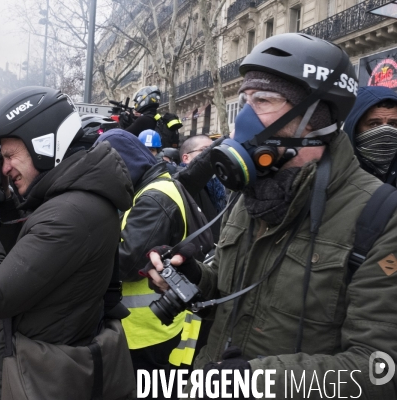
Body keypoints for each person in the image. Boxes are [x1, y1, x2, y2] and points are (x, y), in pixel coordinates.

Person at [145, 33, 397, 398]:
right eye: (243, 101)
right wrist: (197, 278)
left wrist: (254, 381)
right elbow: (241, 297)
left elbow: (379, 370)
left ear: (315, 115)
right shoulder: (251, 193)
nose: (242, 121)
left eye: (262, 100)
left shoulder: (381, 216)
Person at [0, 86, 134, 399]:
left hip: (38, 379)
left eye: (10, 156)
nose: (5, 168)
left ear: (44, 144)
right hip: (32, 369)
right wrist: (4, 203)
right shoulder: (66, 201)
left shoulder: (69, 214)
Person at [95, 129, 212, 400]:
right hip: (149, 324)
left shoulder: (153, 197)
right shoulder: (155, 187)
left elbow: (127, 261)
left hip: (147, 330)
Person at [343, 85, 397, 186]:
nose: (386, 131)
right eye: (374, 124)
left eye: (392, 124)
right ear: (354, 127)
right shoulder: (335, 175)